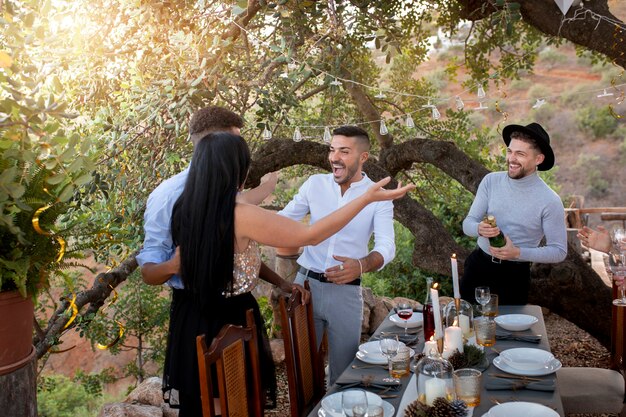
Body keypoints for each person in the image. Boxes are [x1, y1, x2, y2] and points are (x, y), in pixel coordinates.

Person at [158, 132, 414, 416]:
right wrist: (366, 198)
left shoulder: (185, 208)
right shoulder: (241, 213)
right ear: (233, 169)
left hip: (191, 317)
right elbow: (309, 235)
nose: (334, 157)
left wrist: (284, 280)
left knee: (203, 402)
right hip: (231, 317)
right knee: (231, 403)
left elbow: (231, 258)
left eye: (344, 150)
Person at [136, 106, 300, 410]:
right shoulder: (168, 195)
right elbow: (148, 272)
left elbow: (238, 253)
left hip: (239, 310)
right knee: (206, 404)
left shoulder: (228, 192)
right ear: (214, 145)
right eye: (235, 142)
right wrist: (173, 266)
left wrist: (280, 281)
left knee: (243, 401)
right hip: (197, 315)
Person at [278, 125, 399, 386]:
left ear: (363, 157)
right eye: (332, 150)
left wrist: (361, 264)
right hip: (304, 287)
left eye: (344, 151)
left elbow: (387, 246)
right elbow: (281, 221)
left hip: (346, 292)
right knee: (301, 372)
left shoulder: (378, 197)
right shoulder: (314, 185)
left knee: (345, 374)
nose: (335, 157)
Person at [460, 122, 567, 305]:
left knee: (506, 334)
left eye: (520, 154)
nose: (511, 159)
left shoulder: (550, 200)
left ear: (538, 159)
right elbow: (467, 224)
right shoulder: (491, 181)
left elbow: (559, 252)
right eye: (510, 151)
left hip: (514, 276)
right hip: (477, 267)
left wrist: (516, 252)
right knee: (467, 329)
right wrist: (479, 229)